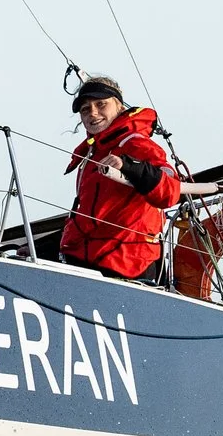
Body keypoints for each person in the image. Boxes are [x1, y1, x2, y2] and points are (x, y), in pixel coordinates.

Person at [61, 75, 178, 281]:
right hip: (89, 260)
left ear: (119, 106)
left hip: (128, 264)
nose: (93, 113)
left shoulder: (135, 142)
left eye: (101, 104)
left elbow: (169, 191)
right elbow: (88, 219)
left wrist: (129, 166)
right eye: (85, 109)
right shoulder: (90, 154)